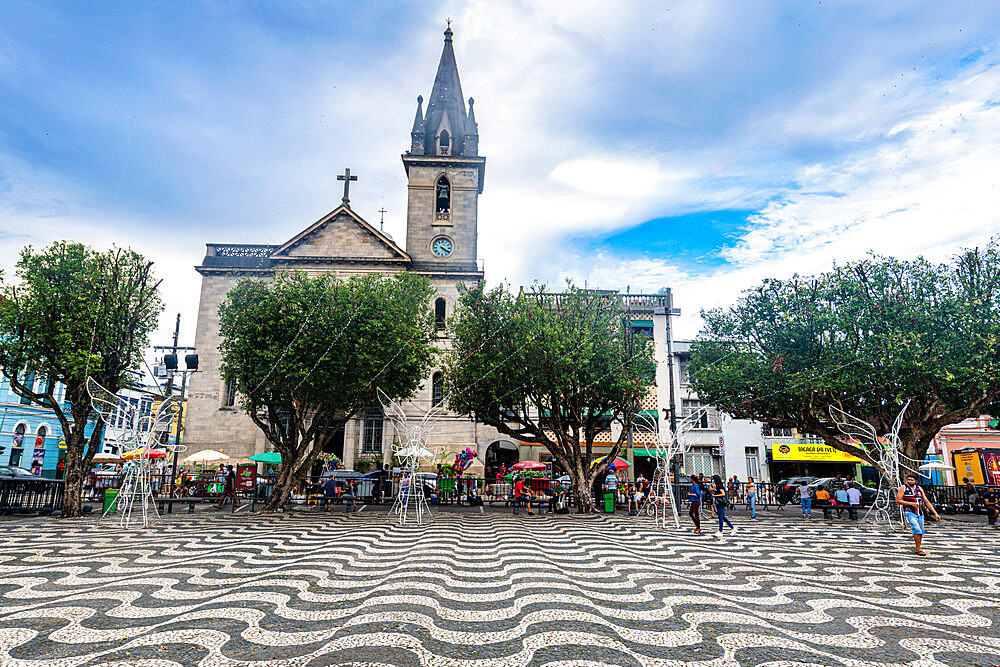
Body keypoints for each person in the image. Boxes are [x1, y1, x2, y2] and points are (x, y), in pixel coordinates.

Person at [896, 473, 940, 555]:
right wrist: (910, 503)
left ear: (916, 481)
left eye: (911, 480)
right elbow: (898, 500)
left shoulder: (919, 489)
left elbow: (926, 501)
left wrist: (935, 513)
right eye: (908, 480)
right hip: (909, 512)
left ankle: (918, 547)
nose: (909, 481)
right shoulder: (903, 488)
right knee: (916, 528)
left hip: (920, 513)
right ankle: (918, 549)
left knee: (921, 531)